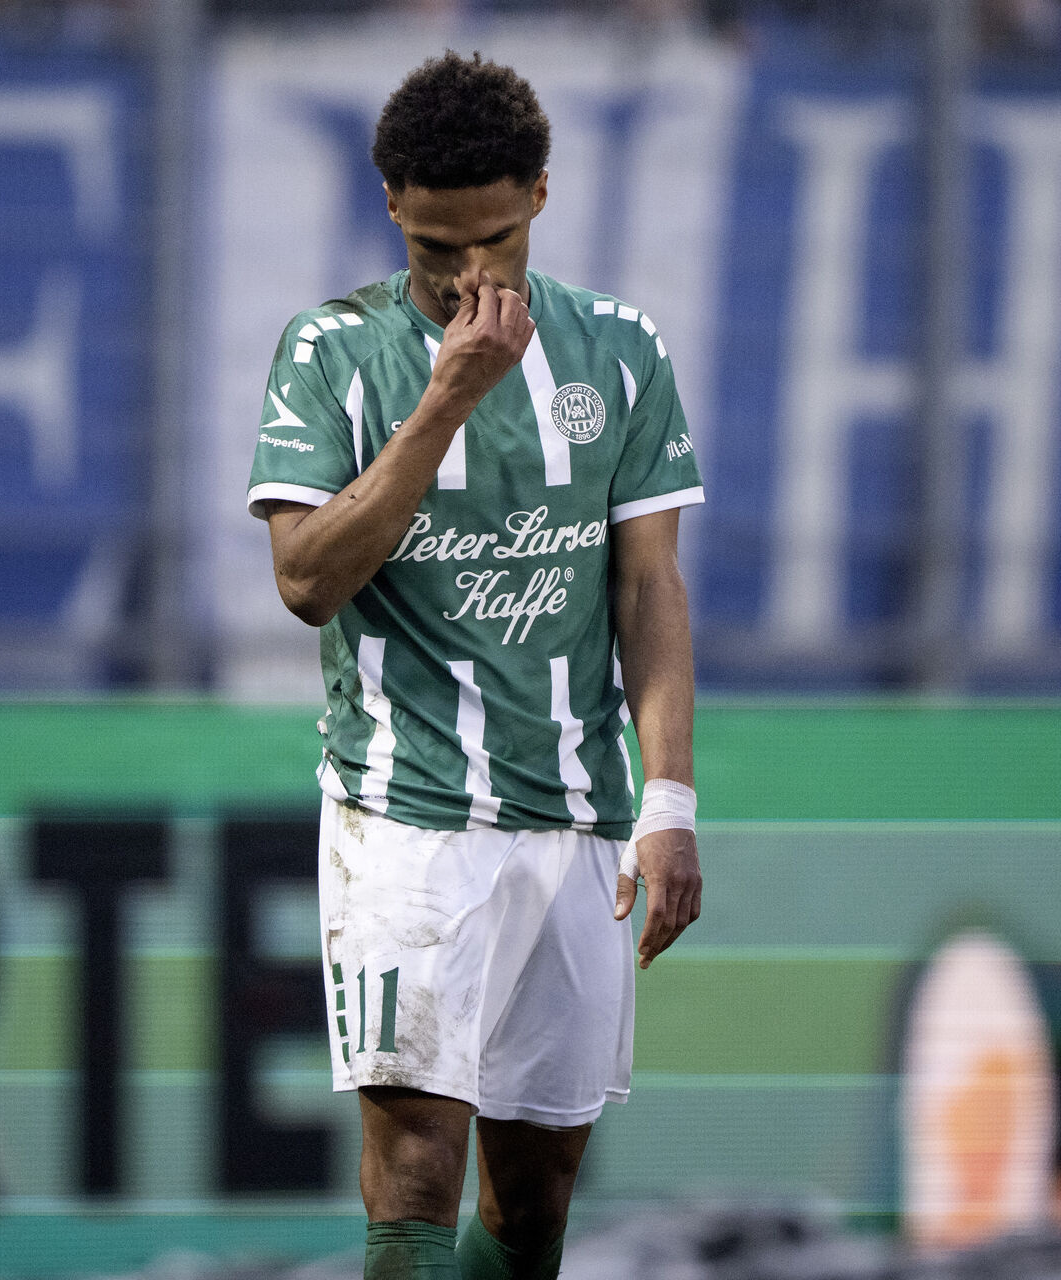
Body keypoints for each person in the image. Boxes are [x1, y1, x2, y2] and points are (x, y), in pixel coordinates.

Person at [247, 52, 704, 1280]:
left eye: (494, 240)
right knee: (413, 1171)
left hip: (578, 813)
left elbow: (649, 587)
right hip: (406, 813)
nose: (467, 275)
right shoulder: (332, 349)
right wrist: (446, 399)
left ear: (541, 196)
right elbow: (305, 580)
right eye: (436, 245)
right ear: (392, 202)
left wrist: (668, 800)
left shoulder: (620, 349)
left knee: (537, 1193)